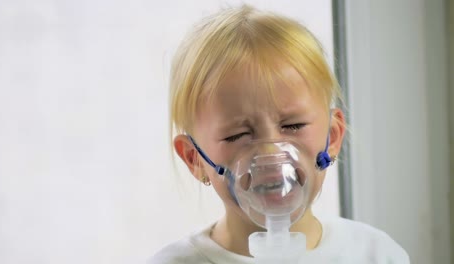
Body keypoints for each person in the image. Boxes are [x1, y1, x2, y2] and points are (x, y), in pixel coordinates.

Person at [149, 5, 409, 264]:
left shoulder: (376, 255)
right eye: (237, 135)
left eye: (293, 126)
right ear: (195, 159)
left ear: (333, 137)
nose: (270, 153)